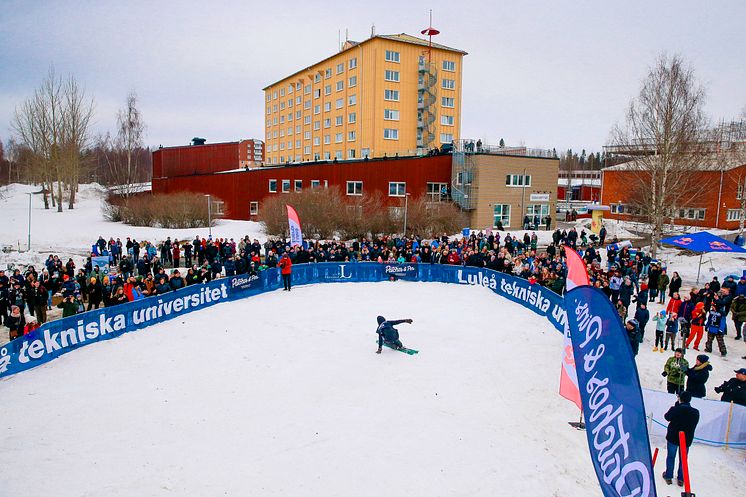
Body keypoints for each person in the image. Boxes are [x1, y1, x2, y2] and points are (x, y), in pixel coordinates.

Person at [662, 391, 699, 486]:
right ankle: (681, 478)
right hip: (686, 439)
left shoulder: (675, 409)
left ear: (680, 399)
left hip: (673, 437)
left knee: (671, 457)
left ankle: (669, 476)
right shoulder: (695, 412)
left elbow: (667, 417)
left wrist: (676, 407)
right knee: (683, 459)